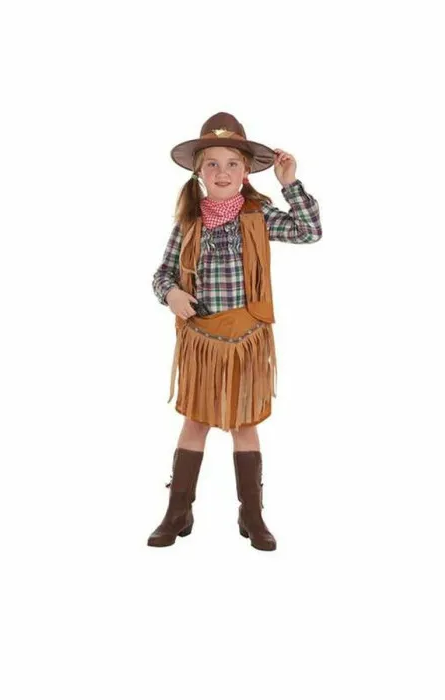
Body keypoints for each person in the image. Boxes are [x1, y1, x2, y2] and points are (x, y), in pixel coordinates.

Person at [148, 112, 322, 551]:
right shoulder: (189, 221)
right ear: (198, 172)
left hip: (246, 339)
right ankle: (177, 510)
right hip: (202, 340)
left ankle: (252, 514)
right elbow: (162, 273)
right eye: (212, 164)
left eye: (231, 164)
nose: (222, 172)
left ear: (246, 172)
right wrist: (172, 294)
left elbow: (308, 231)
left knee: (244, 423)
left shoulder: (258, 216)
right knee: (196, 421)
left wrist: (289, 184)